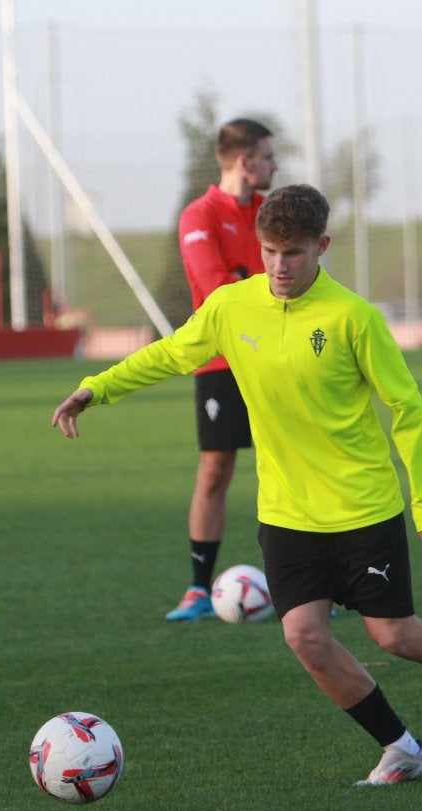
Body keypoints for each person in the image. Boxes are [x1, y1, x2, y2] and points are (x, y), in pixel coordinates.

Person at [53, 184, 422, 784]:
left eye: (293, 253)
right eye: (268, 252)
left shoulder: (353, 318)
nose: (279, 267)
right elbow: (170, 354)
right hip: (286, 511)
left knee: (394, 635)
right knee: (305, 637)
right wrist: (96, 389)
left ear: (322, 247)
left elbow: (406, 407)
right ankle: (402, 746)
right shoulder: (232, 308)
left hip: (362, 505)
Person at [163, 118, 278, 621]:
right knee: (216, 468)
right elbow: (215, 289)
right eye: (268, 157)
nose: (275, 166)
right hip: (219, 360)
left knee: (295, 467)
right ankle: (196, 589)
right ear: (244, 160)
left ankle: (315, 587)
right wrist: (255, 281)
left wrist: (246, 279)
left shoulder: (270, 214)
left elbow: (280, 281)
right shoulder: (199, 214)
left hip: (275, 357)